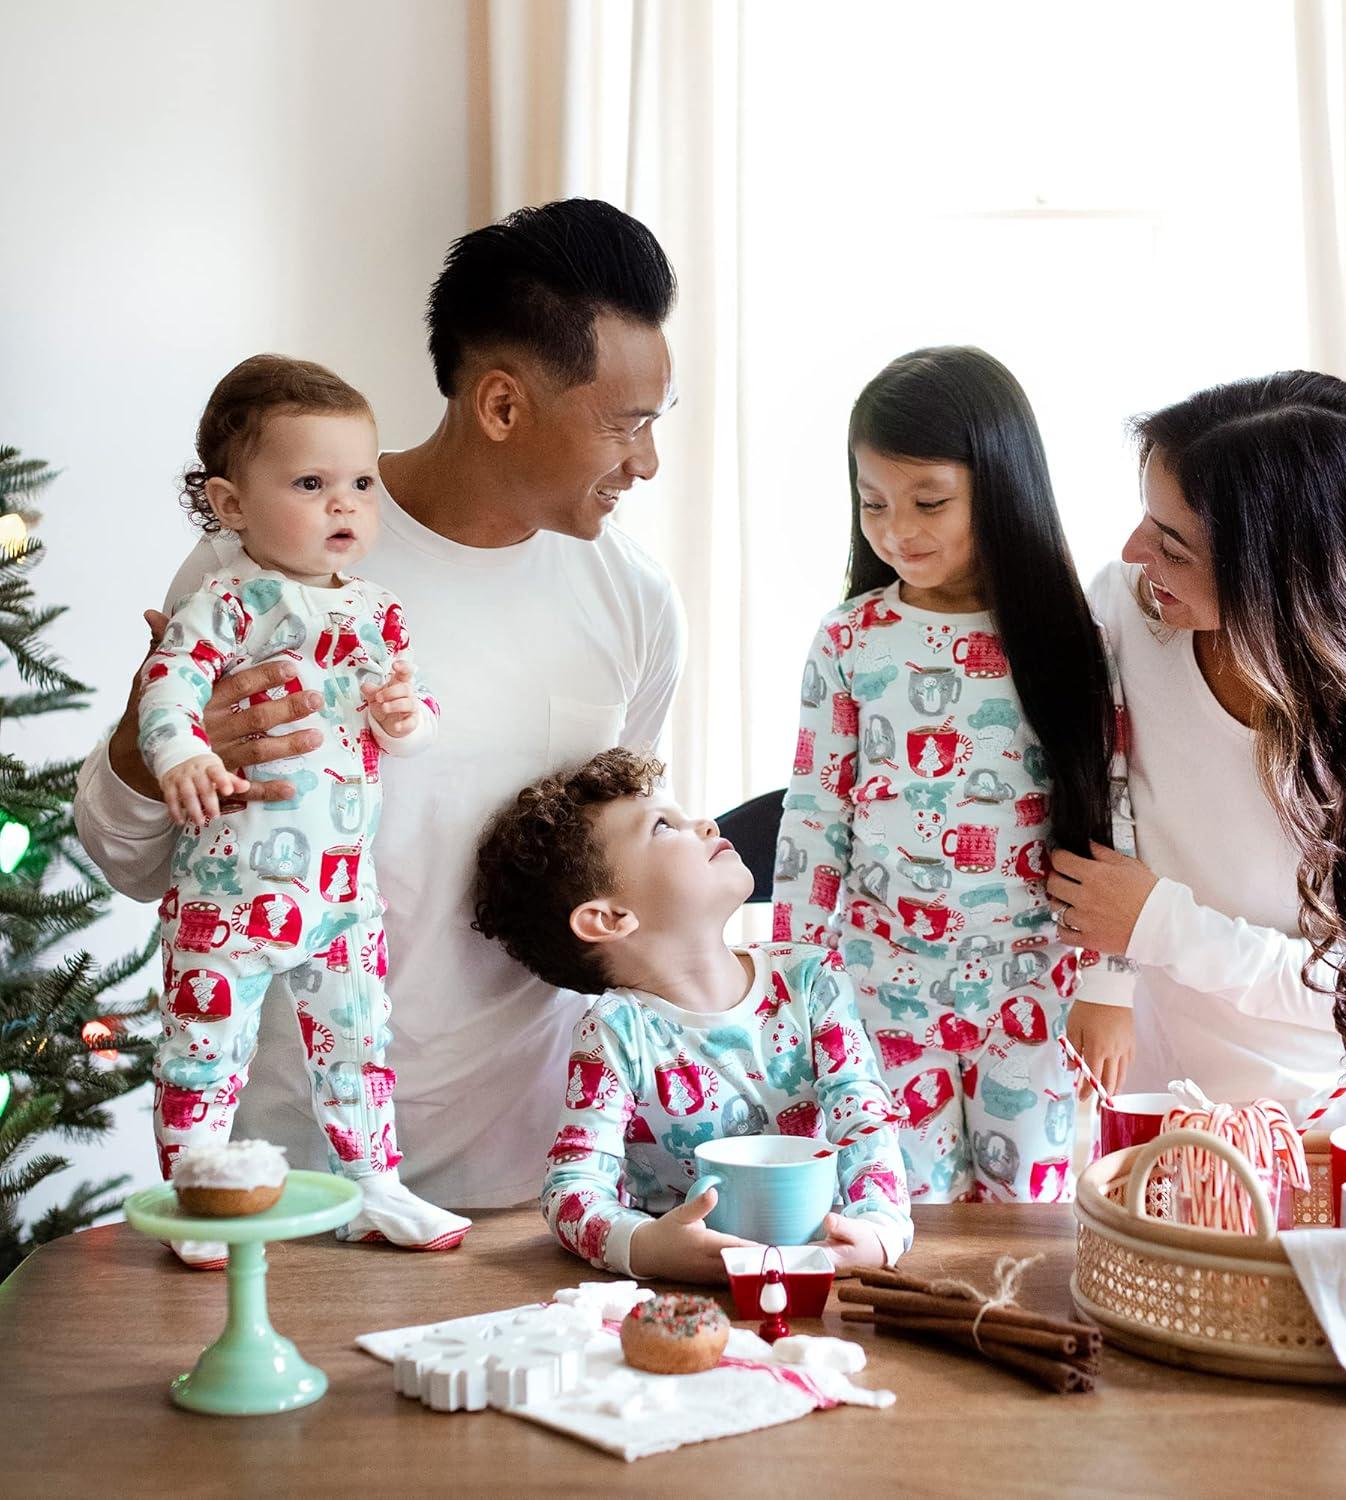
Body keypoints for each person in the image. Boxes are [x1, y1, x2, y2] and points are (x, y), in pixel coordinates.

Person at [74, 200, 687, 1207]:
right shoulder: (261, 561)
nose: (646, 461)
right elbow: (130, 862)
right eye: (625, 426)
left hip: (534, 1195)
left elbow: (616, 884)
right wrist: (153, 751)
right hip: (288, 1187)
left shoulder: (635, 603)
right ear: (500, 405)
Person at [1055, 371, 1346, 1127]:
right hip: (1174, 1116)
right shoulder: (1131, 618)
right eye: (1145, 522)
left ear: (1283, 579)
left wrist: (1160, 924)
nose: (1135, 553)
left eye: (1172, 545)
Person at [774, 347, 1136, 1205]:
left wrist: (1108, 986)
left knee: (1033, 1215)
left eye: (929, 502)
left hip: (1033, 987)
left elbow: (1114, 808)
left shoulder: (1065, 638)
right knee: (900, 1212)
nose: (898, 529)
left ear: (1001, 488)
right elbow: (813, 814)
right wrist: (793, 978)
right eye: (874, 503)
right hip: (880, 985)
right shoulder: (849, 639)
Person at [140, 354, 470, 1265]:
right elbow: (167, 688)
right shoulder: (223, 599)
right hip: (229, 892)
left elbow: (412, 713)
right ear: (233, 504)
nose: (345, 505)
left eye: (362, 483)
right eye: (312, 483)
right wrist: (181, 752)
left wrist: (406, 718)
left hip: (339, 896)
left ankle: (375, 1186)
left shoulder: (380, 612)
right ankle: (200, 1189)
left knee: (361, 1040)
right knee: (206, 1046)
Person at [473, 748, 913, 1281]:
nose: (704, 823)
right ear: (609, 918)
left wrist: (880, 1228)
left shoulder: (812, 980)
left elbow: (864, 1117)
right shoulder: (616, 1032)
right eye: (663, 826)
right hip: (684, 1290)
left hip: (820, 1261)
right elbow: (571, 1189)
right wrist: (647, 1247)